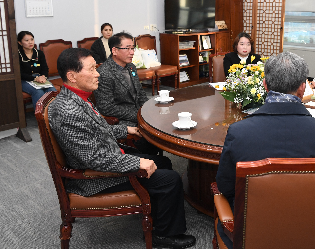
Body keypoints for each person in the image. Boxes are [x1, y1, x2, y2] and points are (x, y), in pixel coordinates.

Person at [48, 48, 196, 249]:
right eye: (91, 69)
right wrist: (136, 162)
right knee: (171, 179)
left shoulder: (76, 97)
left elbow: (95, 129)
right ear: (72, 76)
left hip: (107, 156)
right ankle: (165, 234)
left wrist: (124, 129)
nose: (97, 73)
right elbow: (93, 159)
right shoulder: (68, 110)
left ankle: (157, 211)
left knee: (163, 162)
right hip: (94, 176)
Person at [216, 51, 315, 249]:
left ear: (265, 85)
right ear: (302, 88)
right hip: (310, 230)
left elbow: (225, 186)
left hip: (252, 231)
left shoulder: (239, 132)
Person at [95, 32, 148, 127]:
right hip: (122, 119)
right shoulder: (104, 73)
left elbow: (140, 92)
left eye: (133, 48)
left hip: (139, 112)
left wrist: (148, 109)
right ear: (114, 51)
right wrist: (138, 115)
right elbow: (106, 107)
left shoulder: (131, 67)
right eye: (127, 48)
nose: (132, 52)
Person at [17, 31, 57, 106]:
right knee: (38, 91)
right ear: (20, 42)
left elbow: (45, 68)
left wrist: (43, 77)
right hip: (24, 80)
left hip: (40, 78)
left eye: (32, 39)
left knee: (52, 91)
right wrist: (35, 79)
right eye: (26, 40)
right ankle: (40, 116)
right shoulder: (17, 55)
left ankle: (54, 115)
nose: (30, 42)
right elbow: (19, 73)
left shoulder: (39, 53)